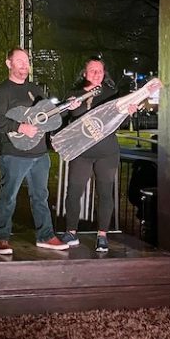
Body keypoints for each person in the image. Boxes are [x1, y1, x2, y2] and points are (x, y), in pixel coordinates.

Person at [0, 47, 69, 255]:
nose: (25, 66)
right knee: (9, 196)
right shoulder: (3, 90)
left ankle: (46, 235)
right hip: (13, 154)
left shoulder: (35, 89)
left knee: (41, 196)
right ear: (9, 64)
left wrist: (68, 106)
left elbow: (48, 115)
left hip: (39, 154)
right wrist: (20, 127)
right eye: (20, 61)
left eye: (27, 62)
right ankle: (2, 238)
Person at [58, 58, 119, 253]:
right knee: (74, 192)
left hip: (106, 153)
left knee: (105, 193)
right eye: (92, 70)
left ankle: (102, 235)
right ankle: (71, 232)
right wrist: (69, 109)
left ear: (104, 73)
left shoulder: (112, 95)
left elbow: (120, 122)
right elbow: (61, 121)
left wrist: (130, 112)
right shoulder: (73, 95)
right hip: (81, 152)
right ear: (84, 73)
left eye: (100, 70)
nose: (96, 74)